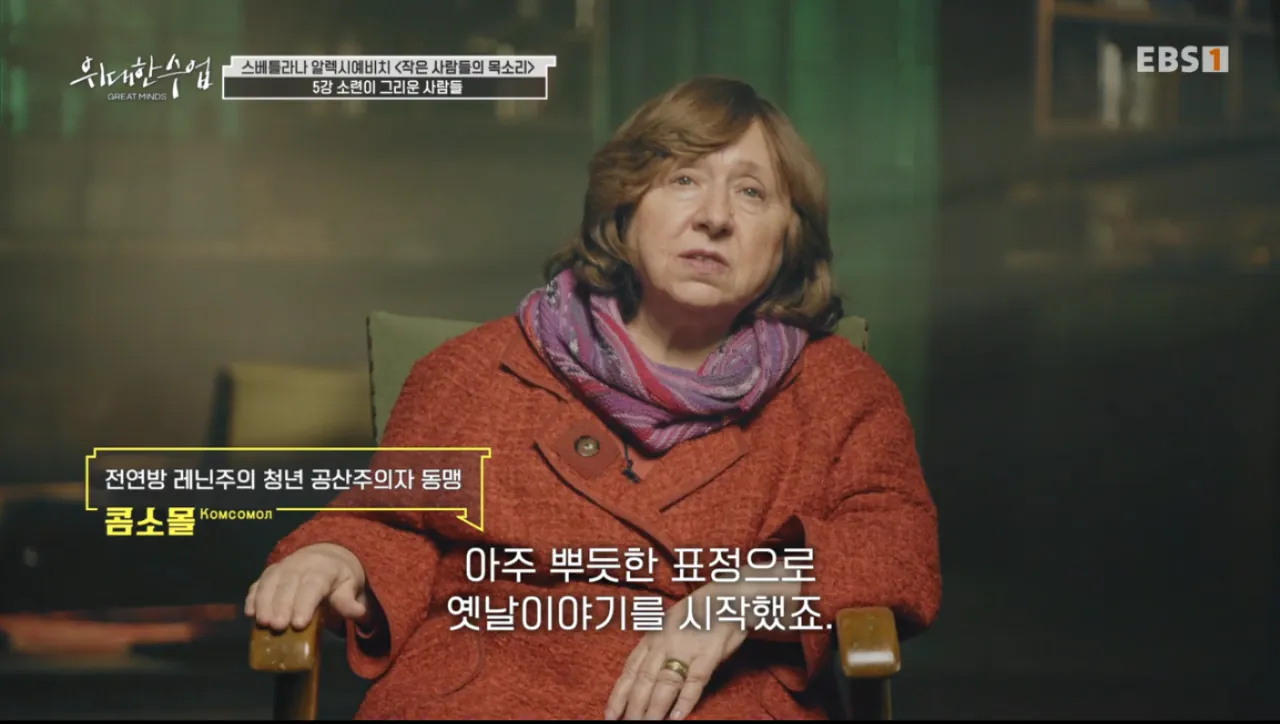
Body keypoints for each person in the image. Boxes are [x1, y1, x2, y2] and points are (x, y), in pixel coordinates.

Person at [245, 76, 941, 721]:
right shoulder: (473, 370)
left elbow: (898, 549)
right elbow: (390, 524)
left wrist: (750, 593)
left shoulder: (838, 389)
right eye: (684, 179)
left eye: (753, 193)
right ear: (626, 204)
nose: (715, 217)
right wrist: (338, 557)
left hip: (720, 698)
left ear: (789, 236)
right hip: (482, 693)